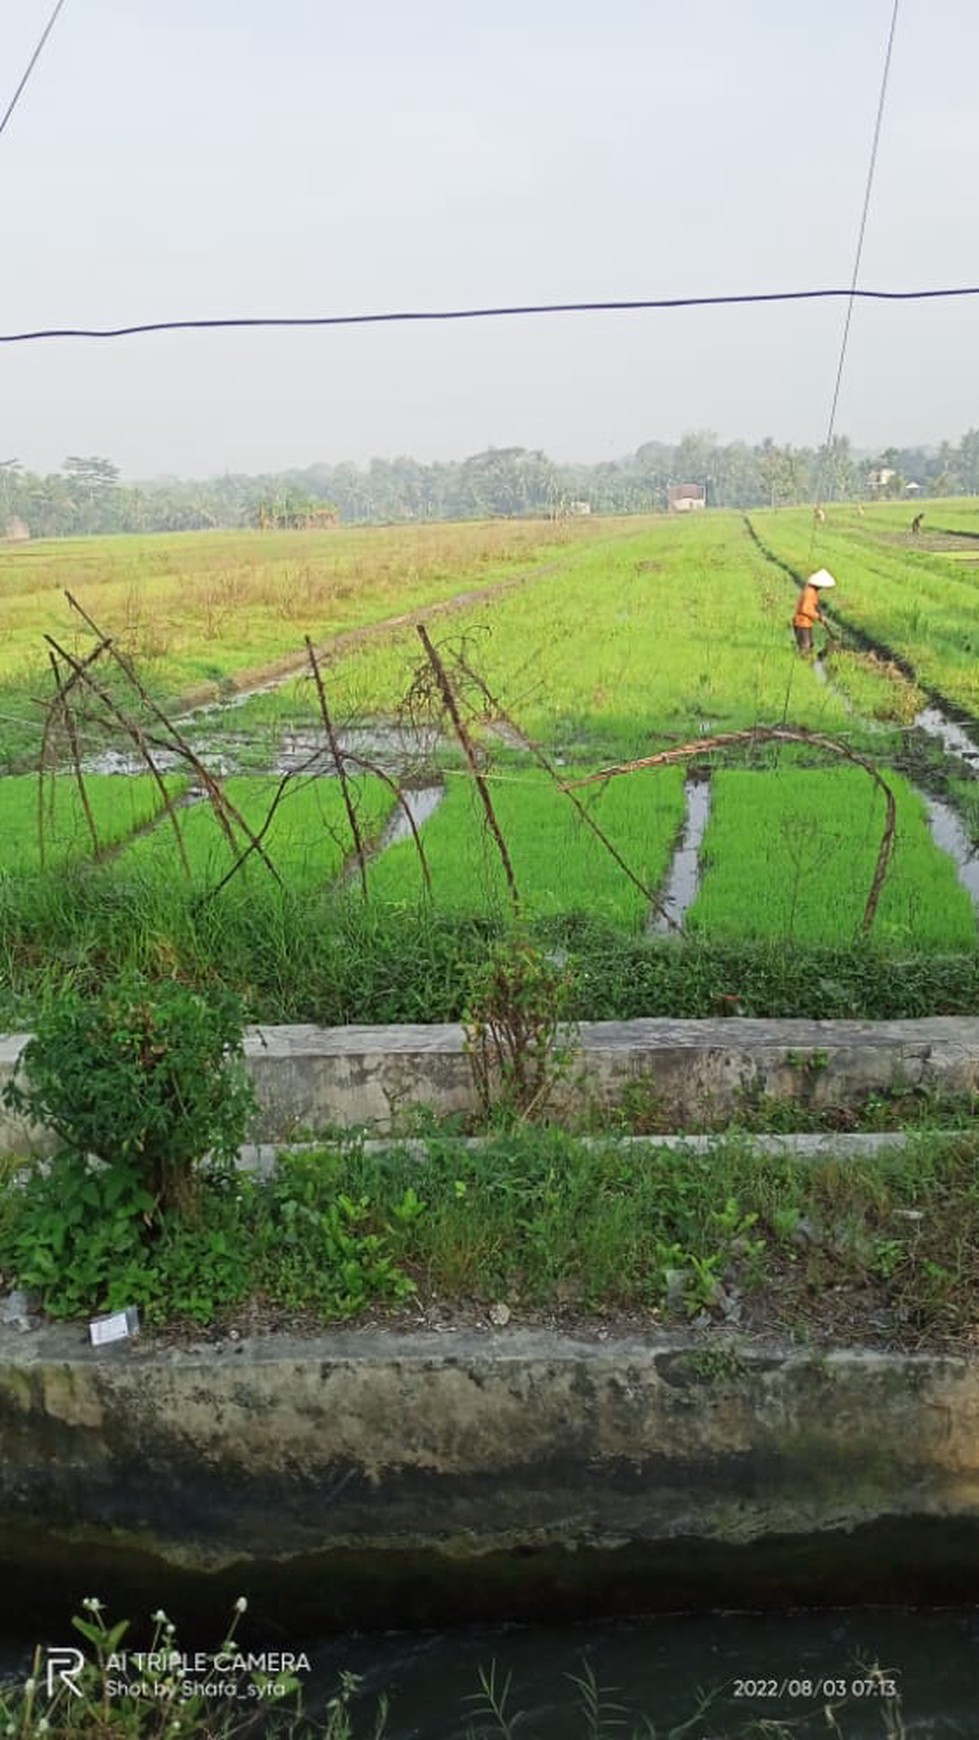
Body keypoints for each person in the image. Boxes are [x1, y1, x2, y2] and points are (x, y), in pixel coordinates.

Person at [792, 568, 836, 655]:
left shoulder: (813, 591)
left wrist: (820, 615)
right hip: (802, 623)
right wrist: (818, 616)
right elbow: (805, 609)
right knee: (805, 646)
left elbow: (814, 605)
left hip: (806, 623)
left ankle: (806, 662)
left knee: (810, 645)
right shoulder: (809, 592)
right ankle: (802, 664)